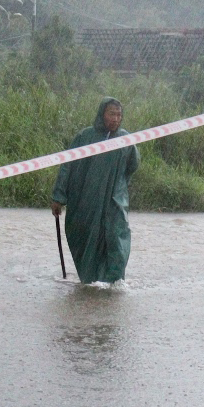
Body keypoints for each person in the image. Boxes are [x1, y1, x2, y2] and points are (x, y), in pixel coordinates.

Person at [49, 97, 138, 286]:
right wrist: (58, 197)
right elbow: (68, 166)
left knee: (117, 239)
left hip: (114, 203)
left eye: (119, 115)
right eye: (111, 114)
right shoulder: (84, 137)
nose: (115, 119)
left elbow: (132, 166)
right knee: (87, 241)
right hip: (86, 201)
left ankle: (115, 283)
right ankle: (91, 283)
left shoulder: (126, 140)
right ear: (102, 114)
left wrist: (118, 186)